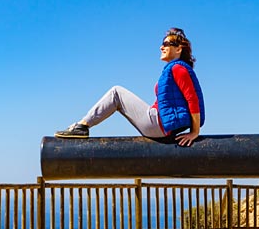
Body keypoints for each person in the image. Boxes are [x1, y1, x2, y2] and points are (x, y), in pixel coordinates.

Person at [55, 27, 205, 147]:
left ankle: (81, 126)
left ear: (178, 49)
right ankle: (82, 125)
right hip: (163, 124)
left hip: (158, 123)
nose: (161, 47)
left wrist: (194, 132)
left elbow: (193, 99)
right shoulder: (175, 69)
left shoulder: (178, 69)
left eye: (166, 44)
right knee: (118, 95)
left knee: (116, 93)